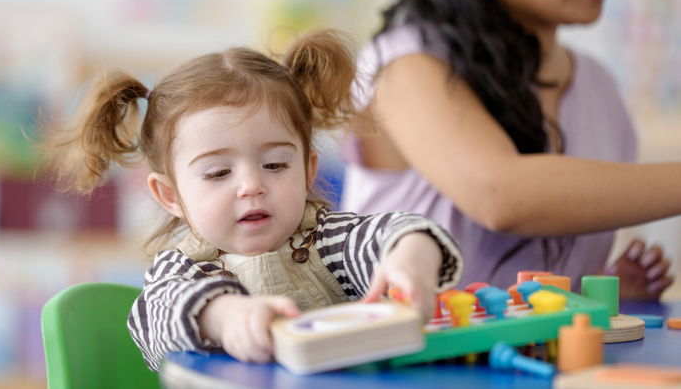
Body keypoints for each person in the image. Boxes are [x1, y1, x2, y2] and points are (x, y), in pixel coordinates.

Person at [41, 29, 463, 371]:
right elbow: (156, 318)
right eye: (219, 173)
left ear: (308, 170)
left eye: (276, 165)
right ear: (170, 195)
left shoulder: (325, 239)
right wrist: (223, 316)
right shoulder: (184, 269)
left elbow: (385, 232)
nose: (250, 186)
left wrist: (411, 255)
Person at [341, 0, 677, 299]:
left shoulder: (599, 89)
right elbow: (501, 196)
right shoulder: (405, 64)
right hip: (405, 359)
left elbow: (533, 295)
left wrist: (600, 291)